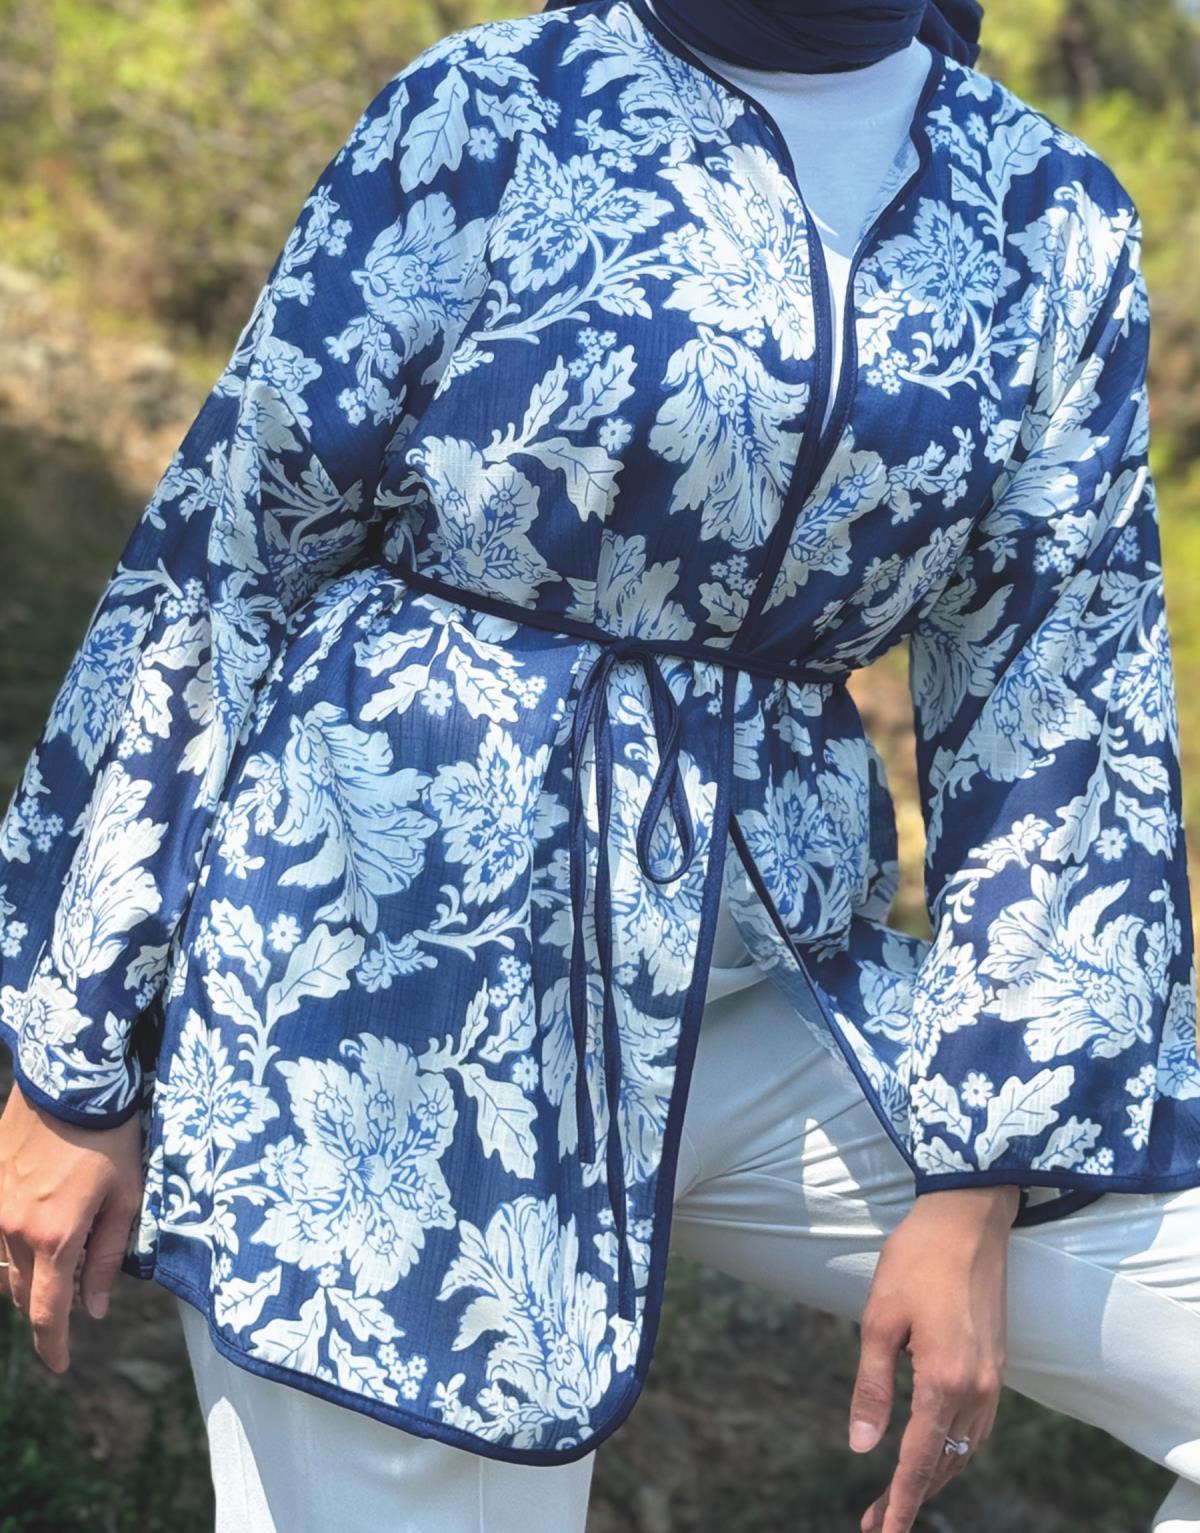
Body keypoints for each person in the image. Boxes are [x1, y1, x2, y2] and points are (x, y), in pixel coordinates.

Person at [1, 0, 1199, 1529]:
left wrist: (977, 1185)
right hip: (393, 989)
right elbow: (230, 560)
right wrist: (76, 1053)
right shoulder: (497, 103)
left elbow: (1061, 708)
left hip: (767, 985)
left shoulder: (1046, 217)